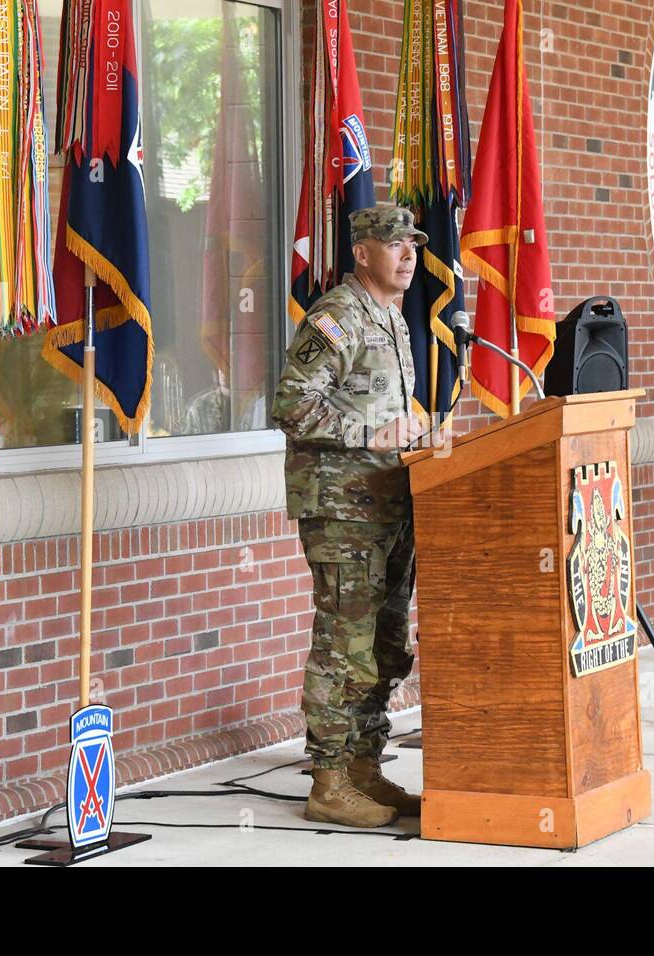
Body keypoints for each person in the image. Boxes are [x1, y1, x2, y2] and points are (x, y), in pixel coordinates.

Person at [271, 206, 433, 828]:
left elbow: (390, 413)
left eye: (413, 245)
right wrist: (376, 429)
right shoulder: (337, 315)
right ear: (362, 253)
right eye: (395, 244)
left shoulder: (391, 319)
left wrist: (417, 431)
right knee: (345, 643)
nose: (409, 255)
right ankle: (330, 779)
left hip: (390, 501)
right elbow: (291, 406)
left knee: (386, 643)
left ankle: (364, 763)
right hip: (343, 509)